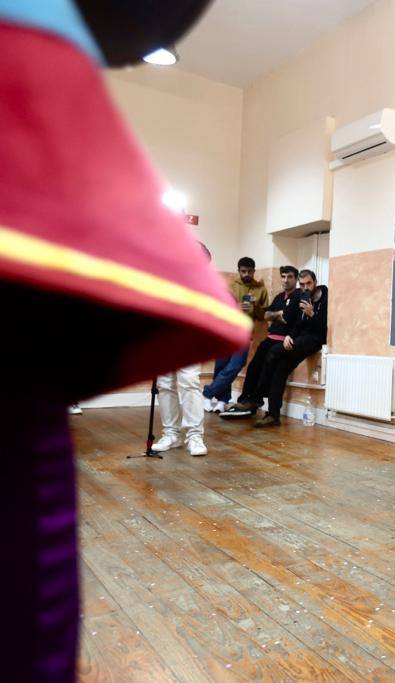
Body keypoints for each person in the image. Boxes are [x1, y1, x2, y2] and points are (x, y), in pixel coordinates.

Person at [1, 2, 251, 679]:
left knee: (185, 381)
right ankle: (171, 433)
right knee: (165, 388)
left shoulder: (191, 247)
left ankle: (193, 433)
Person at [249, 269, 328, 427]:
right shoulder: (301, 296)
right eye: (302, 284)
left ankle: (258, 395)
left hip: (314, 339)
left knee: (273, 351)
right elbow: (298, 323)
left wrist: (312, 314)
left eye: (309, 283)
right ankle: (273, 414)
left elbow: (323, 328)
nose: (305, 287)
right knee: (280, 369)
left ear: (315, 282)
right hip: (300, 338)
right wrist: (289, 336)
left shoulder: (324, 296)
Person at [220, 265, 300, 418]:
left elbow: (288, 317)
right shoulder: (279, 297)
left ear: (296, 279)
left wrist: (274, 315)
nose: (286, 280)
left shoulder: (299, 296)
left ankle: (255, 402)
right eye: (283, 276)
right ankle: (244, 401)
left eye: (290, 277)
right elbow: (266, 315)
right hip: (269, 339)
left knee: (266, 372)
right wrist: (275, 314)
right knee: (253, 368)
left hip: (283, 342)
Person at [202, 256, 268, 412]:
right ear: (239, 271)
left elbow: (262, 316)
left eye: (249, 271)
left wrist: (256, 305)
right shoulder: (231, 287)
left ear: (254, 271)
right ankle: (222, 400)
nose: (246, 274)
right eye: (243, 271)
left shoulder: (261, 290)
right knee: (221, 367)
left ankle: (206, 393)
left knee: (236, 364)